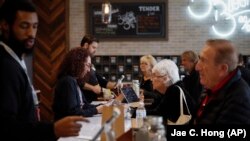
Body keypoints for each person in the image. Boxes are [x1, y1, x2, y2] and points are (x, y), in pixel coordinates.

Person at [0, 1, 87, 140]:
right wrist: (53, 129)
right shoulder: (5, 66)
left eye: (34, 27)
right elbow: (6, 127)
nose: (31, 33)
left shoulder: (15, 59)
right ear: (5, 25)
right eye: (24, 26)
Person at [195, 39, 250, 124]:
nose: (197, 67)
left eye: (203, 60)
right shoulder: (210, 88)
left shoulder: (238, 100)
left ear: (222, 69)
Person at [53, 47, 103, 121]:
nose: (89, 70)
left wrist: (102, 106)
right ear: (78, 63)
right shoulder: (68, 81)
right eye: (88, 65)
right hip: (66, 128)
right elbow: (73, 113)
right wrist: (96, 110)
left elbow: (84, 105)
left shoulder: (73, 80)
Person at [146, 59, 196, 124]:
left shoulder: (174, 90)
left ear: (165, 78)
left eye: (154, 75)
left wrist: (136, 112)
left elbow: (158, 114)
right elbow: (156, 108)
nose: (151, 79)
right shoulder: (174, 88)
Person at [79, 35, 120, 102]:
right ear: (86, 45)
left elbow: (101, 81)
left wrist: (115, 85)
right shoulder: (76, 61)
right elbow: (76, 81)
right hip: (82, 102)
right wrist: (93, 88)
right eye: (93, 47)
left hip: (91, 102)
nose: (95, 50)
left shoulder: (90, 62)